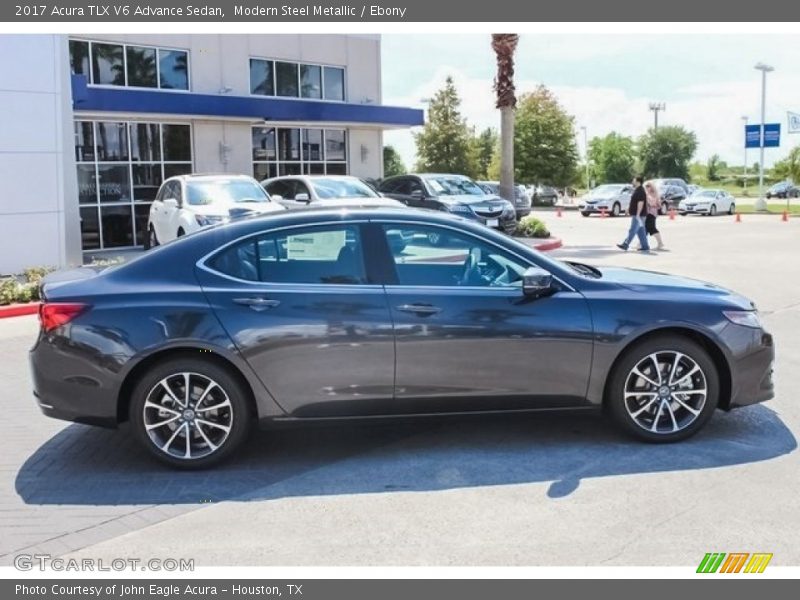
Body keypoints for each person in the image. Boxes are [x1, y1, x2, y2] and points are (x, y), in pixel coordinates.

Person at [617, 176, 650, 252]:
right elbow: (634, 202)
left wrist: (638, 214)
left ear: (638, 181)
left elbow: (640, 203)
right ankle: (645, 246)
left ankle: (626, 244)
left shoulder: (641, 191)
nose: (632, 181)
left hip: (639, 215)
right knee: (641, 231)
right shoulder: (637, 190)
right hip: (640, 215)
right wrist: (629, 208)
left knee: (633, 230)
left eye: (634, 180)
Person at [644, 180, 665, 250]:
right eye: (646, 186)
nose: (647, 187)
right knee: (645, 229)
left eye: (648, 186)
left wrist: (647, 198)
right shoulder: (647, 193)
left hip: (652, 213)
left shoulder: (653, 194)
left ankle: (660, 243)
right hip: (647, 213)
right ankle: (641, 243)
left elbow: (653, 203)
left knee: (652, 228)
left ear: (652, 187)